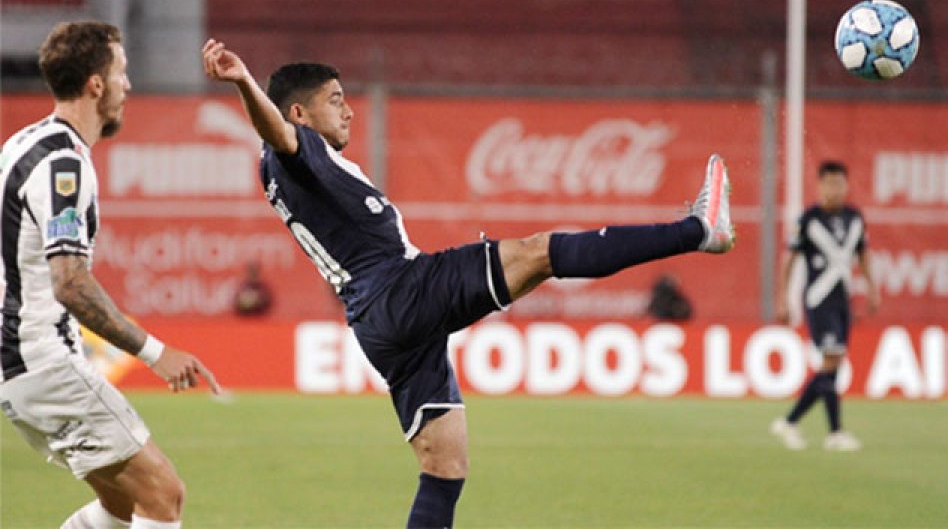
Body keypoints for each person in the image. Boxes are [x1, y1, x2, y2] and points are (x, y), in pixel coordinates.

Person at [202, 38, 733, 528]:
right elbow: (277, 132)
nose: (348, 109)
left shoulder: (278, 169)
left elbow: (278, 141)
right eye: (335, 99)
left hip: (377, 323)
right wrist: (245, 82)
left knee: (445, 466)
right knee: (540, 253)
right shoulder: (297, 154)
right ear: (299, 113)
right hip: (401, 290)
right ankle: (698, 230)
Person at [0, 21, 221, 529]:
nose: (129, 85)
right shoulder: (64, 166)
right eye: (121, 73)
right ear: (95, 84)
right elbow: (70, 282)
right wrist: (155, 353)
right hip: (44, 364)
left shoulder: (24, 143)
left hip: (22, 365)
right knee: (164, 495)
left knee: (120, 504)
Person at [771, 161, 880, 451]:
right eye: (829, 184)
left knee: (832, 367)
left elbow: (863, 254)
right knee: (831, 362)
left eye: (839, 184)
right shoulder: (809, 219)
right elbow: (789, 260)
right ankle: (835, 433)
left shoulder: (855, 218)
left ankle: (789, 422)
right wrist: (782, 298)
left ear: (846, 185)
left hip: (842, 300)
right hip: (819, 300)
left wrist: (872, 288)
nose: (834, 190)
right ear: (819, 186)